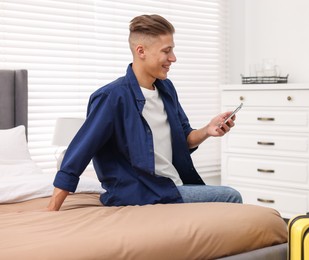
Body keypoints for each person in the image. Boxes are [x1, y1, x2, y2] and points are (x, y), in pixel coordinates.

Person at [46, 14, 242, 211]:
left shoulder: (166, 89)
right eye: (167, 51)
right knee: (231, 196)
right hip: (141, 193)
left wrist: (208, 130)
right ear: (141, 51)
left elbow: (184, 139)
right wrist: (52, 209)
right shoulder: (112, 96)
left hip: (171, 187)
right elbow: (80, 152)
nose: (173, 58)